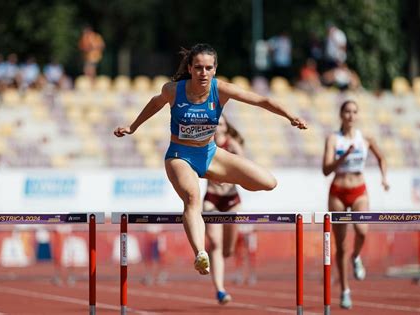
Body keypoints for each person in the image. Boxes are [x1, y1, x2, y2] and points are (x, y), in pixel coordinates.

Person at [114, 43, 307, 277]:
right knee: (193, 197)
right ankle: (200, 254)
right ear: (190, 68)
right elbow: (155, 103)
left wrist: (290, 115)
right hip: (180, 156)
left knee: (268, 182)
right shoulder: (173, 90)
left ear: (215, 69)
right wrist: (132, 127)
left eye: (208, 68)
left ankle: (223, 181)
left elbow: (260, 100)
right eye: (198, 68)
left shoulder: (221, 90)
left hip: (210, 154)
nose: (203, 73)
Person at [322, 100, 390, 309]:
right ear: (341, 115)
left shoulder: (365, 138)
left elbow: (382, 158)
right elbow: (325, 169)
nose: (351, 115)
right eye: (347, 112)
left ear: (357, 115)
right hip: (338, 191)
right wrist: (343, 158)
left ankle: (357, 255)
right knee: (340, 245)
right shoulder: (334, 139)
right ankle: (345, 290)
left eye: (354, 112)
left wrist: (384, 178)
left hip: (359, 190)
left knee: (362, 231)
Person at [203, 115, 243, 304]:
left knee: (228, 249)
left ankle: (226, 250)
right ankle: (220, 290)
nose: (218, 126)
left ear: (226, 127)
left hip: (231, 199)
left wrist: (229, 175)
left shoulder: (232, 144)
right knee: (216, 244)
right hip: (211, 198)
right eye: (216, 123)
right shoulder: (206, 143)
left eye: (221, 123)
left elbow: (245, 167)